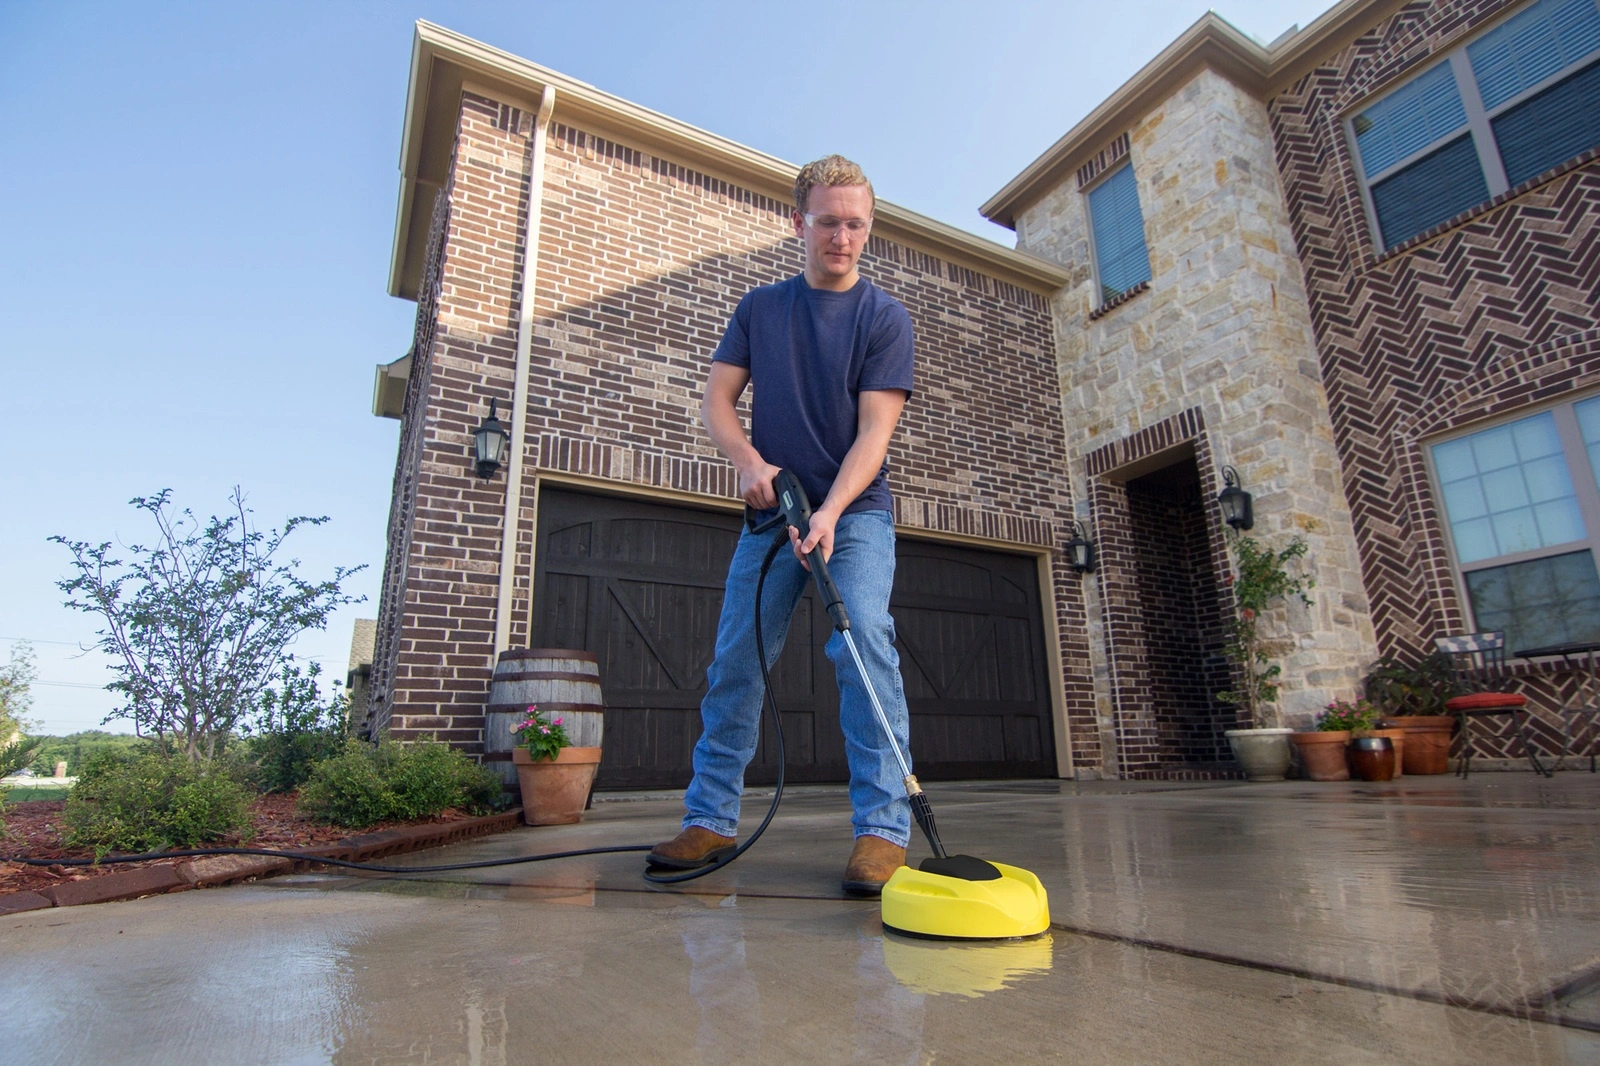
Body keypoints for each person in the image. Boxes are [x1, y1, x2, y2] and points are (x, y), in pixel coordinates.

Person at [647, 154, 917, 895]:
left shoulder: (884, 319)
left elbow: (874, 437)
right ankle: (709, 819)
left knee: (862, 639)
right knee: (736, 657)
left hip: (853, 516)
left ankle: (882, 831)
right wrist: (747, 461)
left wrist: (830, 511)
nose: (842, 237)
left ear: (870, 228)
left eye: (856, 224)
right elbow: (718, 401)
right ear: (798, 221)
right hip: (771, 516)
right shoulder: (760, 309)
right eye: (828, 221)